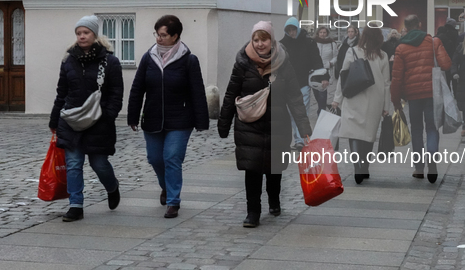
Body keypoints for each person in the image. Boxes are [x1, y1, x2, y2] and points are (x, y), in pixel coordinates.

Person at [218, 21, 312, 228]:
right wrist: (223, 123)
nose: (260, 44)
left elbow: (295, 98)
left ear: (272, 40)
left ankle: (274, 199)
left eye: (264, 39)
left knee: (274, 168)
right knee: (251, 169)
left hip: (277, 124)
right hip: (249, 124)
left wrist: (304, 128)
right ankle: (253, 212)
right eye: (256, 40)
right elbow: (231, 93)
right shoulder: (242, 63)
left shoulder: (283, 63)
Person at [127, 15, 209, 219]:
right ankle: (165, 186)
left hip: (180, 119)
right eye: (157, 34)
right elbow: (138, 88)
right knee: (155, 158)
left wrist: (201, 120)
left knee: (172, 157)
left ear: (175, 36)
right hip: (153, 117)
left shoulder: (188, 60)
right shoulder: (149, 58)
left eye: (163, 35)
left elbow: (197, 91)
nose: (158, 38)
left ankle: (173, 201)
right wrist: (133, 115)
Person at [49, 15, 123, 222]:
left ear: (94, 34)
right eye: (78, 33)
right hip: (71, 120)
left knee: (99, 163)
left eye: (86, 33)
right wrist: (54, 120)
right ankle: (76, 205)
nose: (82, 36)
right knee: (73, 163)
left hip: (99, 121)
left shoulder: (110, 62)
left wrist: (108, 115)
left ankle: (112, 186)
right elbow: (61, 92)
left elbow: (116, 93)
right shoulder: (68, 60)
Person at [391, 15, 451, 183]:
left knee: (416, 129)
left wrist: (396, 102)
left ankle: (419, 168)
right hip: (432, 93)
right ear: (420, 24)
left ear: (406, 27)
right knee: (432, 128)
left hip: (412, 95)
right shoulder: (433, 42)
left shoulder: (401, 48)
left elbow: (396, 78)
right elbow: (446, 65)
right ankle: (432, 161)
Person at [331, 27, 390, 184]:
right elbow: (386, 84)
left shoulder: (353, 51)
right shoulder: (383, 56)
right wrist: (386, 106)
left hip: (354, 97)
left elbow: (343, 76)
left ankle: (358, 167)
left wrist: (337, 99)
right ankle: (365, 167)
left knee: (354, 133)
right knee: (368, 134)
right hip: (375, 99)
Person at [279, 17, 327, 151]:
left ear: (297, 29)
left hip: (303, 82)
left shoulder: (308, 42)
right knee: (288, 112)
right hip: (286, 84)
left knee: (302, 111)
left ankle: (300, 140)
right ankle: (294, 138)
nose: (292, 32)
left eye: (293, 29)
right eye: (289, 30)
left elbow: (316, 60)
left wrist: (323, 76)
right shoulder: (282, 44)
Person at [314, 27, 338, 115]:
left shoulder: (332, 43)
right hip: (314, 71)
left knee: (322, 91)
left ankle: (321, 111)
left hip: (325, 70)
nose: (322, 34)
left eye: (324, 32)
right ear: (318, 33)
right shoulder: (313, 42)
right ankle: (321, 108)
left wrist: (331, 63)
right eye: (321, 32)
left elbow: (336, 56)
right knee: (316, 91)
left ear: (327, 33)